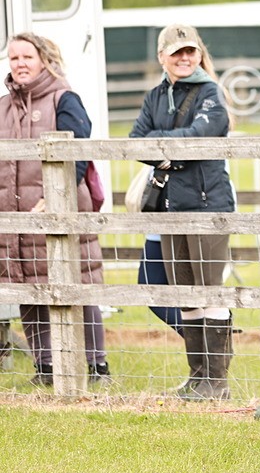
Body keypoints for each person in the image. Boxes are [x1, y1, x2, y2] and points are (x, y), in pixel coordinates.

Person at [130, 25, 235, 400]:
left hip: (208, 205)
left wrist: (164, 151)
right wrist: (174, 151)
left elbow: (204, 135)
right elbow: (134, 142)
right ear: (162, 57)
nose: (185, 58)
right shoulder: (155, 96)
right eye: (176, 53)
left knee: (210, 292)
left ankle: (217, 381)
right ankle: (197, 377)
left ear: (198, 53)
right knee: (186, 294)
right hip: (171, 205)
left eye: (190, 51)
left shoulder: (210, 93)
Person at [0, 32, 110, 385]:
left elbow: (77, 152)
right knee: (29, 287)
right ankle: (45, 366)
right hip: (16, 215)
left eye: (26, 57)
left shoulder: (65, 99)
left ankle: (95, 365)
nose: (19, 64)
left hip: (58, 209)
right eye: (14, 58)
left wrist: (55, 197)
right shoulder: (3, 106)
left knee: (80, 286)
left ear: (44, 60)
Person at [138, 234, 182, 336]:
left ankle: (211, 343)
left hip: (185, 233)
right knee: (150, 293)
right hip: (158, 234)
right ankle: (207, 343)